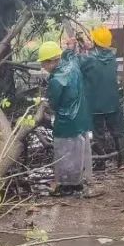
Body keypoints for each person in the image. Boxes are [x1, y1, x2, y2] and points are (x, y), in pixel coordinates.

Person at [37, 39, 90, 196]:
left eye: (44, 63)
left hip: (66, 121)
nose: (42, 67)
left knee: (64, 154)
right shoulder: (72, 65)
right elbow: (71, 56)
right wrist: (69, 48)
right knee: (78, 152)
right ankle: (78, 183)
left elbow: (53, 104)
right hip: (80, 117)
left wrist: (44, 104)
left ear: (52, 61)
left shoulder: (56, 80)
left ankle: (66, 186)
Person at [80, 26, 124, 166]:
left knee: (98, 135)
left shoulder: (89, 59)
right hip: (112, 103)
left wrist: (83, 50)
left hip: (95, 105)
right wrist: (89, 49)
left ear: (95, 41)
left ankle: (100, 164)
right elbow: (100, 59)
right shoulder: (112, 58)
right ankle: (120, 160)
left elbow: (79, 65)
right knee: (116, 132)